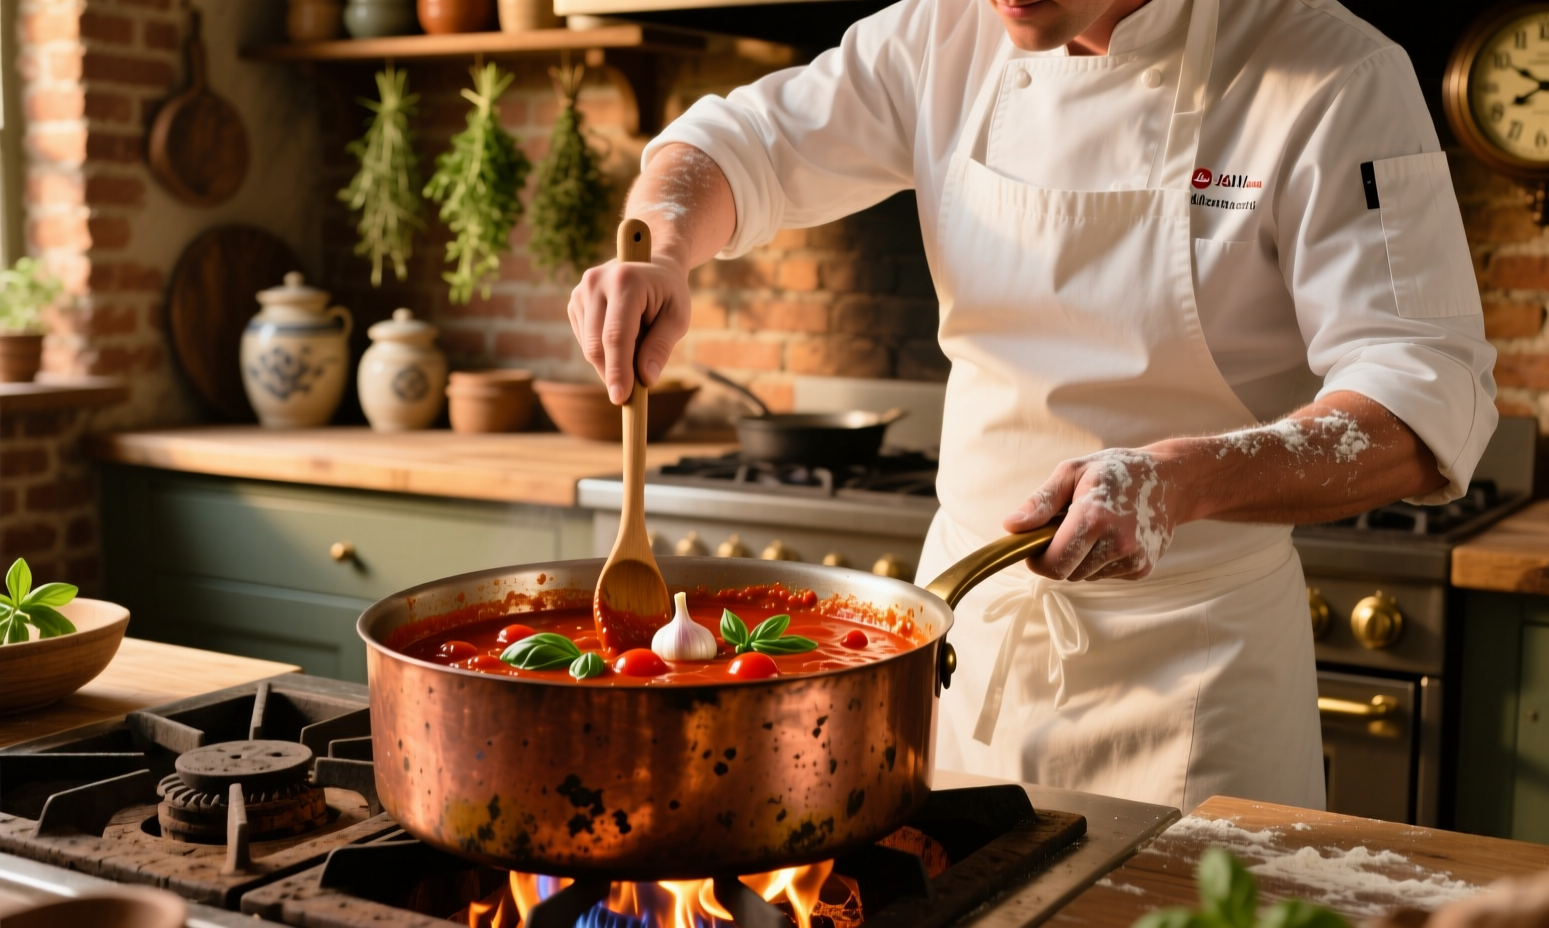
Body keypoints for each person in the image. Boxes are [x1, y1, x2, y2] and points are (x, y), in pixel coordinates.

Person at [566, 0, 1496, 812]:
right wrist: (663, 246)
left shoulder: (1337, 72)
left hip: (1198, 676)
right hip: (960, 645)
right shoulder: (941, 36)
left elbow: (1421, 398)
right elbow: (736, 142)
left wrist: (1178, 480)